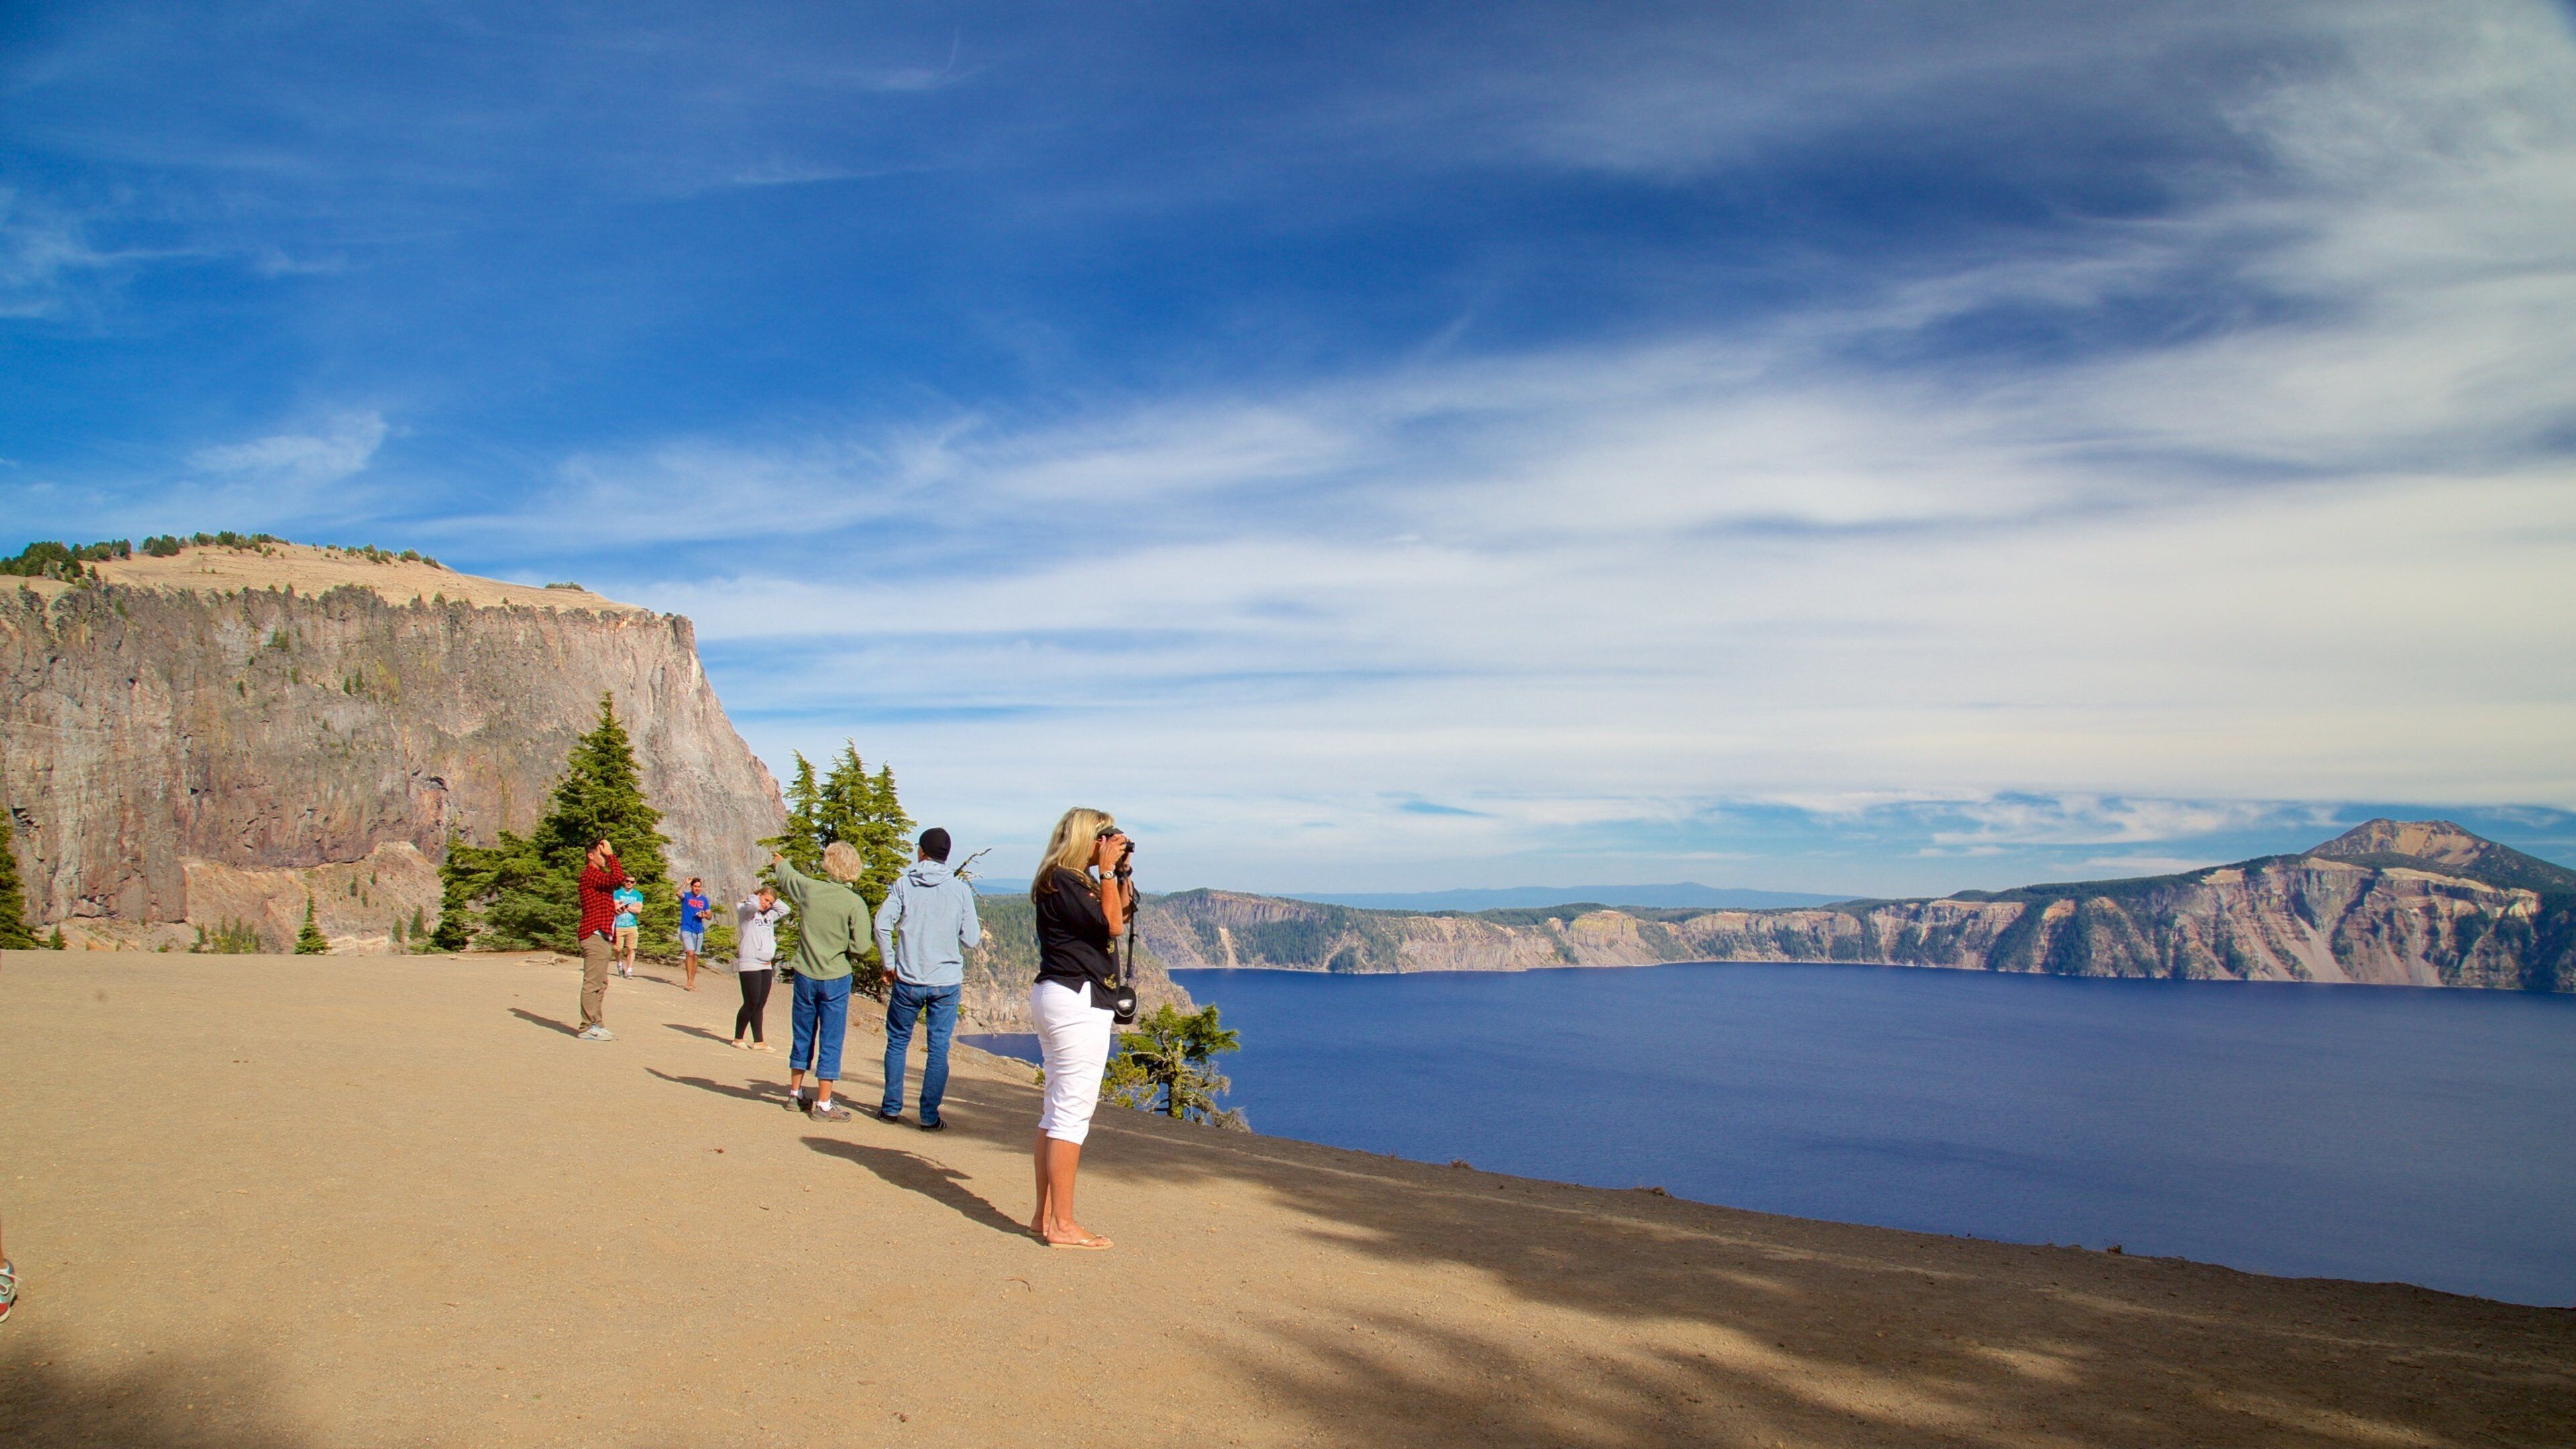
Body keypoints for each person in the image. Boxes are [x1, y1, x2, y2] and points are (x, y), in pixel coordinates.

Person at [1028, 807, 1134, 1250]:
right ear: (1087, 839)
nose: (1108, 844)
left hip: (1060, 995)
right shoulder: (1066, 880)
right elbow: (1111, 925)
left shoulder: (1066, 880)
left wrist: (1120, 874)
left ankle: (1043, 1217)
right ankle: (1064, 1224)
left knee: (1055, 1111)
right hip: (1078, 1000)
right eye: (1103, 837)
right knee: (1072, 1114)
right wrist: (1108, 873)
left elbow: (1119, 915)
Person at [872, 827, 981, 1130]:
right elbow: (971, 939)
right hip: (945, 982)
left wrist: (889, 963)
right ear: (947, 856)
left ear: (921, 852)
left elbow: (882, 925)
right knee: (938, 1049)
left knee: (897, 1043)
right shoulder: (960, 890)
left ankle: (891, 1109)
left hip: (908, 979)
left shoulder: (904, 885)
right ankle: (929, 1117)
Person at [769, 842, 872, 1122]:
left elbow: (789, 877)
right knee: (831, 1037)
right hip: (836, 977)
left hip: (805, 973)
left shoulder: (810, 890)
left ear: (828, 863)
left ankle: (795, 1093)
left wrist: (780, 862)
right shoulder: (855, 903)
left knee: (802, 1032)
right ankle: (824, 1104)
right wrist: (845, 946)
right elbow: (862, 946)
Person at [575, 838, 627, 1040]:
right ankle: (586, 1026)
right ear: (591, 856)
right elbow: (618, 878)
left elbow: (598, 902)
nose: (604, 857)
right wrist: (612, 854)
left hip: (602, 935)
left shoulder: (595, 878)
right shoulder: (591, 874)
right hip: (594, 935)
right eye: (601, 853)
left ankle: (596, 1022)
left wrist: (613, 908)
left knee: (601, 982)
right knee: (592, 983)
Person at [733, 884, 789, 1050]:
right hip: (750, 962)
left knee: (760, 1003)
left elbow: (785, 909)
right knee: (751, 1001)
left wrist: (771, 900)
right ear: (758, 896)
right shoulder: (746, 912)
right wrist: (755, 896)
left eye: (771, 903)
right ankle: (738, 1038)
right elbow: (752, 906)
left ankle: (759, 1041)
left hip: (766, 963)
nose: (767, 905)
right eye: (766, 900)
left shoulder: (769, 915)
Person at [678, 877, 712, 991]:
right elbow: (678, 893)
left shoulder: (704, 900)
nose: (697, 889)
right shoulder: (686, 896)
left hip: (699, 930)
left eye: (699, 887)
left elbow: (709, 915)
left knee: (695, 956)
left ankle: (692, 981)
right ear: (692, 887)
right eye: (695, 886)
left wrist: (703, 915)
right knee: (690, 953)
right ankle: (688, 981)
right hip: (686, 927)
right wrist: (685, 883)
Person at [612, 879, 645, 977]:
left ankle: (629, 970)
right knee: (617, 949)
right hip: (619, 925)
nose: (629, 883)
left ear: (635, 883)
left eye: (632, 882)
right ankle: (620, 966)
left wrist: (625, 907)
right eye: (627, 881)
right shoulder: (617, 893)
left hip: (632, 925)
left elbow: (638, 910)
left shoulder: (638, 895)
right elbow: (616, 907)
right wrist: (631, 907)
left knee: (632, 948)